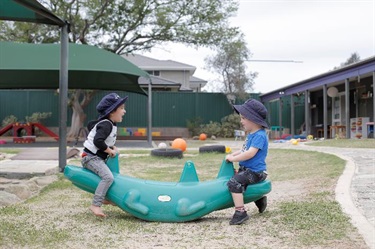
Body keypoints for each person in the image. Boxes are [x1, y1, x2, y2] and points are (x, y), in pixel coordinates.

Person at [81, 93, 127, 217]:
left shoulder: (111, 124)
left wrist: (112, 147)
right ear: (112, 111)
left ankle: (106, 197)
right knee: (108, 177)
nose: (124, 111)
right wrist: (109, 151)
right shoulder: (106, 124)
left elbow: (106, 141)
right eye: (122, 108)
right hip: (90, 158)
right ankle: (95, 205)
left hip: (96, 158)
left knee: (112, 175)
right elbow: (98, 141)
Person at [225, 99, 269, 225]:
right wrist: (234, 154)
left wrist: (234, 159)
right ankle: (259, 199)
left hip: (256, 172)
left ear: (253, 119)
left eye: (243, 118)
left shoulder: (260, 135)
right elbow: (244, 150)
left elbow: (250, 153)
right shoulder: (251, 134)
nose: (241, 121)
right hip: (248, 170)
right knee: (238, 180)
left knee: (234, 183)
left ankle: (240, 212)